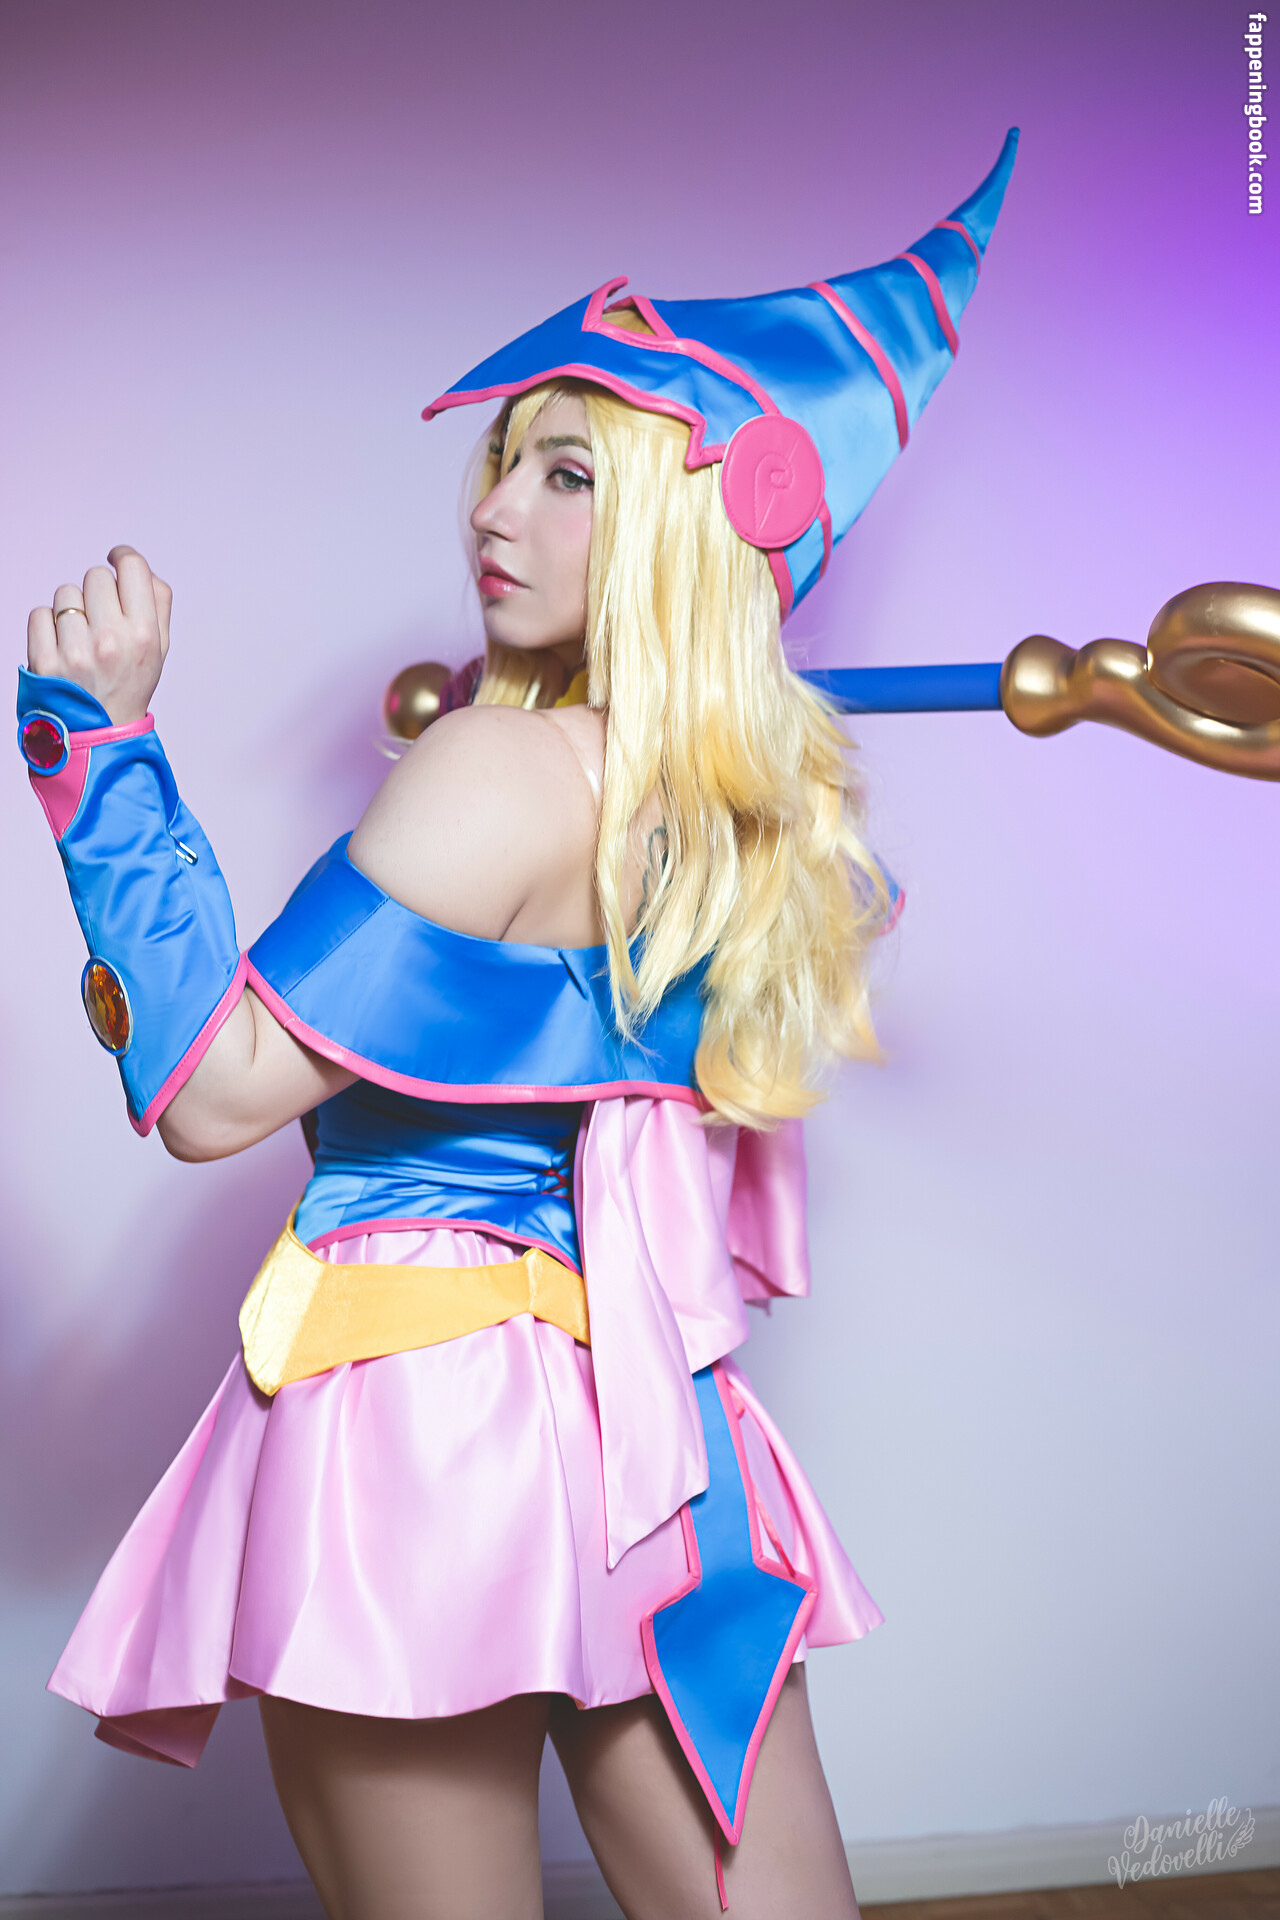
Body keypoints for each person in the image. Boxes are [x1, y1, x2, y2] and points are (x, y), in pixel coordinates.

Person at [19, 134, 1018, 1920]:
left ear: (689, 526)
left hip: (419, 1420)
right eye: (501, 465)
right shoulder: (753, 826)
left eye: (568, 475)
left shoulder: (492, 768)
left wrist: (95, 754)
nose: (494, 513)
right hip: (658, 1430)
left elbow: (215, 1092)